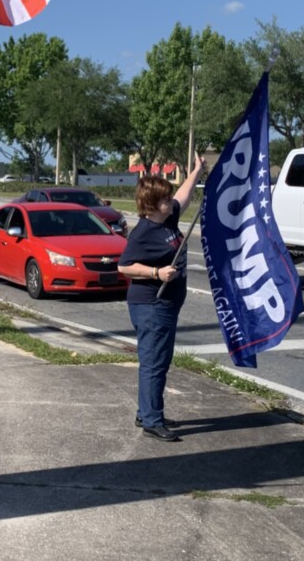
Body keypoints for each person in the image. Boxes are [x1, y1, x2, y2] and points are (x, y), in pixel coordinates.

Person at [118, 153, 206, 442]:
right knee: (154, 362)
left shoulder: (168, 219)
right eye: (165, 199)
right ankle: (152, 420)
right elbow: (125, 266)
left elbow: (184, 195)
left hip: (166, 305)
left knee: (158, 360)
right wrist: (156, 273)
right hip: (150, 305)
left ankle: (147, 411)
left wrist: (196, 171)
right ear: (152, 205)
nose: (171, 202)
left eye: (169, 198)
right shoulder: (143, 232)